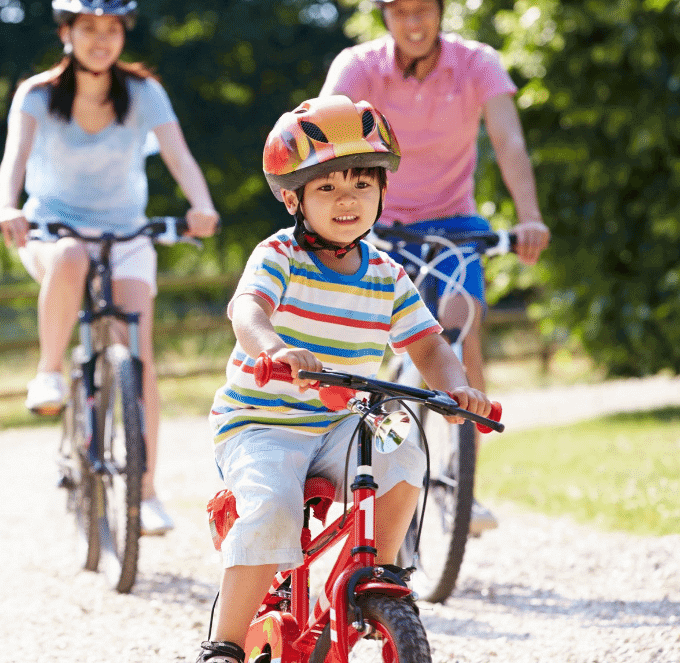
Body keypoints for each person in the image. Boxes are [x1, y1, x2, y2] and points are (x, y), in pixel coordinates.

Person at [196, 95, 491, 663]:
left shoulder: (386, 274)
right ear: (293, 198)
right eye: (327, 187)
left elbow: (429, 344)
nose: (347, 199)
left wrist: (455, 387)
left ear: (383, 191)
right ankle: (225, 644)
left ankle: (379, 573)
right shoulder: (278, 254)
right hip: (263, 423)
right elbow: (247, 312)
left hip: (343, 421)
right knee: (271, 508)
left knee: (404, 441)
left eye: (361, 183)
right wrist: (276, 349)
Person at [319, 0, 550, 534]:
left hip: (453, 223)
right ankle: (389, 460)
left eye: (424, 8)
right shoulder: (360, 66)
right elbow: (325, 135)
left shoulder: (477, 64)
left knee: (460, 322)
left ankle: (459, 480)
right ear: (384, 17)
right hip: (378, 224)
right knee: (376, 352)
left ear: (442, 8)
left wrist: (529, 216)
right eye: (400, 11)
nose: (414, 22)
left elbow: (510, 144)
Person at [0, 0, 219, 535]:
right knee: (69, 259)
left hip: (126, 234)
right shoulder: (38, 95)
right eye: (88, 28)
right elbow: (14, 162)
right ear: (66, 33)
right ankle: (48, 373)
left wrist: (201, 204)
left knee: (136, 353)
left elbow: (180, 156)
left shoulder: (143, 93)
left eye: (112, 29)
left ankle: (144, 493)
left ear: (124, 35)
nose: (101, 39)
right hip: (53, 230)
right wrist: (7, 207)